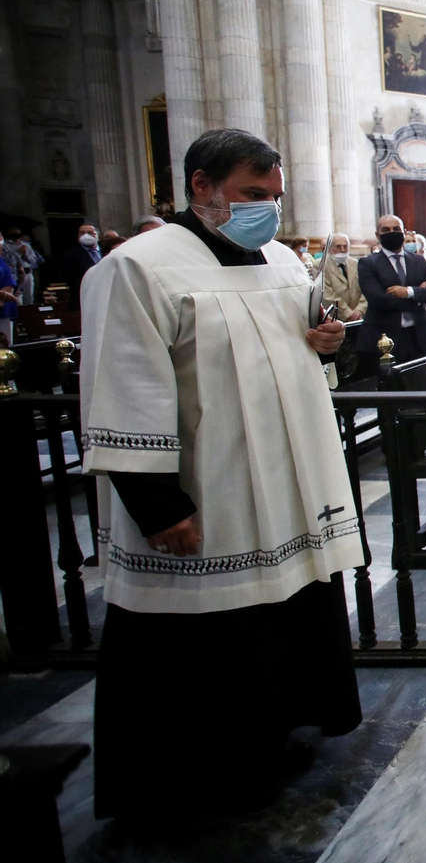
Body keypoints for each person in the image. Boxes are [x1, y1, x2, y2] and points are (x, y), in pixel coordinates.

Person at [77, 127, 363, 819]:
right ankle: (192, 774)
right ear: (201, 185)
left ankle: (272, 740)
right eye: (251, 194)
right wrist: (158, 503)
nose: (266, 208)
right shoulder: (138, 267)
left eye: (273, 195)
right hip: (209, 487)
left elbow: (301, 345)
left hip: (285, 488)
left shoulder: (277, 259)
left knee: (282, 618)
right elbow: (124, 384)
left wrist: (325, 340)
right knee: (204, 637)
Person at [356, 213, 426, 363]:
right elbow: (378, 300)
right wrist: (419, 296)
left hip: (419, 337)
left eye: (396, 229)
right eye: (386, 230)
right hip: (384, 338)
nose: (392, 233)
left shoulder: (418, 261)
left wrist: (409, 292)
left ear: (403, 232)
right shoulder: (368, 264)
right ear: (378, 235)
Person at [317, 233, 367, 322]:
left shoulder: (355, 264)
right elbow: (327, 295)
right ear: (330, 248)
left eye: (345, 246)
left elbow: (366, 287)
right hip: (334, 318)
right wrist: (347, 313)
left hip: (359, 316)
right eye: (338, 246)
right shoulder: (320, 265)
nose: (342, 250)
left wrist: (360, 309)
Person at [60, 221, 102, 310]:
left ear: (98, 236)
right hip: (85, 298)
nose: (86, 235)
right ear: (78, 237)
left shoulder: (107, 251)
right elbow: (72, 279)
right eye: (82, 233)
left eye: (90, 233)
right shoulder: (70, 255)